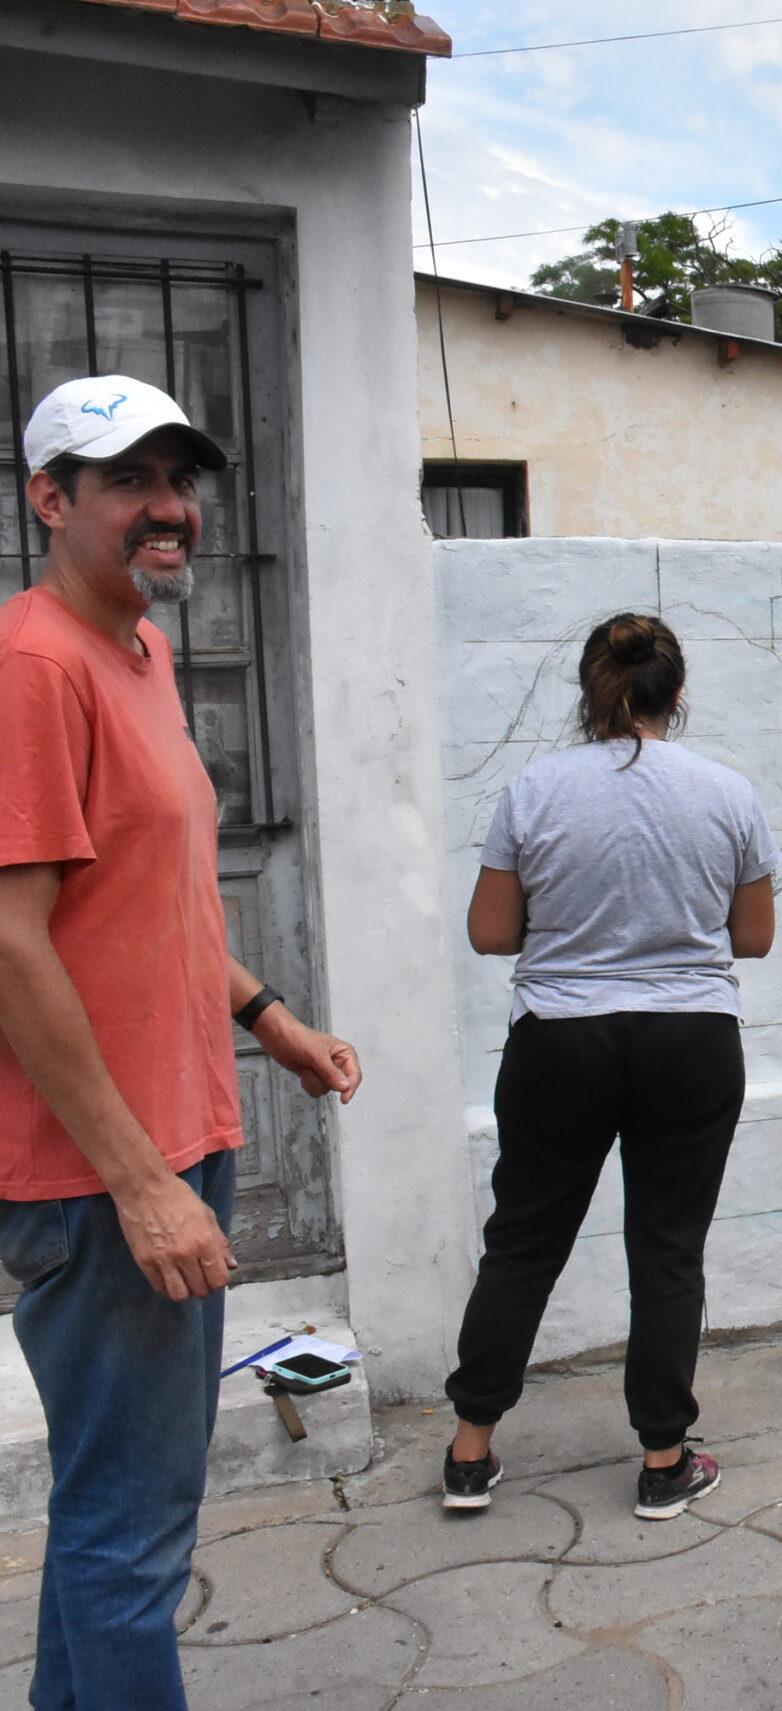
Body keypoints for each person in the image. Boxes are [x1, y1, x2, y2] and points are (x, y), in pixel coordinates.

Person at [0, 374, 361, 1711]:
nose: (170, 508)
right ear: (51, 499)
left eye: (181, 478)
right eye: (129, 482)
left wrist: (273, 1019)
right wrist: (141, 1180)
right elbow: (12, 943)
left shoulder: (137, 655)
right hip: (103, 1170)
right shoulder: (34, 664)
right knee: (132, 1528)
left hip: (178, 1131)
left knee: (120, 1508)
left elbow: (150, 905)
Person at [442, 613, 779, 1521]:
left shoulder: (533, 792)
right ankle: (664, 1460)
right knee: (666, 1249)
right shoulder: (726, 793)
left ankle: (471, 1450)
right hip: (691, 1039)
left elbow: (489, 932)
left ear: (588, 693)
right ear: (677, 695)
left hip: (562, 1038)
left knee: (523, 1240)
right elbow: (753, 937)